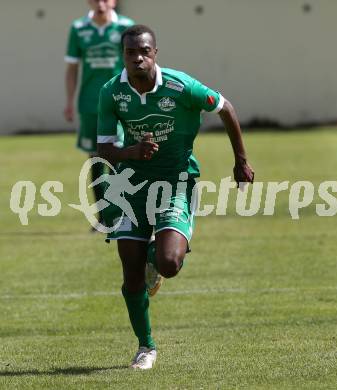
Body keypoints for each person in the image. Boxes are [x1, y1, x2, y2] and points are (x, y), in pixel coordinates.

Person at [97, 25, 254, 369]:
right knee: (130, 273)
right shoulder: (111, 92)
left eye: (144, 51)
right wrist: (131, 153)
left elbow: (225, 108)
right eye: (130, 53)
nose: (137, 58)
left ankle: (156, 258)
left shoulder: (180, 86)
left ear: (155, 53)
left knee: (169, 262)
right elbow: (104, 148)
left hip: (175, 183)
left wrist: (241, 161)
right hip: (130, 188)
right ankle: (146, 347)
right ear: (123, 56)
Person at [64, 0, 134, 229]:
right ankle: (103, 215)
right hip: (89, 104)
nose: (101, 4)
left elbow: (134, 65)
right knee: (95, 158)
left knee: (118, 157)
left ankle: (121, 211)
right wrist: (69, 101)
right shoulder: (78, 28)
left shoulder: (125, 27)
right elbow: (72, 68)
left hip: (118, 103)